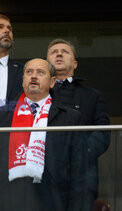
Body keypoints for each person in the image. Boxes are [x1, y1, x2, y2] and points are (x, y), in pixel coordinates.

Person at [0, 58, 87, 211]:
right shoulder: (2, 116)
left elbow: (78, 170)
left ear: (52, 82)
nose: (34, 76)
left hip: (53, 200)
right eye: (29, 72)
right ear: (23, 80)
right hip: (9, 199)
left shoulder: (69, 117)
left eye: (40, 72)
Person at [47, 38, 110, 210]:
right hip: (44, 177)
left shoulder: (92, 95)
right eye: (54, 52)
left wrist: (78, 155)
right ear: (47, 64)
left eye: (65, 51)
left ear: (75, 64)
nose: (59, 54)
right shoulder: (35, 96)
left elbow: (102, 134)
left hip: (82, 178)